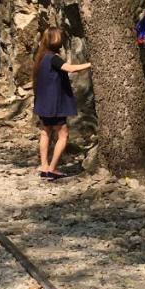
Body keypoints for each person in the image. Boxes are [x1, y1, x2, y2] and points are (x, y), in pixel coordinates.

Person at [32, 28, 91, 180]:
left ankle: (44, 166)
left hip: (43, 104)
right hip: (55, 104)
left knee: (45, 132)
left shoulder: (41, 57)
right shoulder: (53, 58)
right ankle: (52, 169)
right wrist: (91, 64)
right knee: (63, 135)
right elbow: (70, 69)